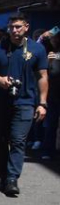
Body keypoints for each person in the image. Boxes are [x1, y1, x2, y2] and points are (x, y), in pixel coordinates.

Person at [0, 13, 49, 197]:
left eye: (18, 26)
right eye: (11, 27)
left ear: (26, 27)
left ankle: (12, 179)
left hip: (25, 102)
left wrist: (42, 103)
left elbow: (43, 76)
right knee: (2, 140)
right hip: (1, 102)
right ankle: (3, 175)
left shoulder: (37, 49)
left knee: (18, 141)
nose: (14, 30)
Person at [40, 32, 60, 160]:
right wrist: (49, 61)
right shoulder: (51, 55)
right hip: (53, 95)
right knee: (51, 123)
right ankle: (48, 150)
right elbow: (43, 74)